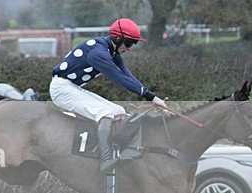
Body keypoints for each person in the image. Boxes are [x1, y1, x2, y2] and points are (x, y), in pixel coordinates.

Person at [49, 18, 168, 172]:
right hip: (62, 90)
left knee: (119, 111)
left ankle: (120, 150)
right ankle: (105, 159)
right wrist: (152, 97)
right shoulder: (98, 53)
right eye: (129, 43)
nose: (130, 48)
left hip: (71, 87)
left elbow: (128, 75)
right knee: (106, 113)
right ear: (118, 38)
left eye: (134, 43)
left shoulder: (110, 50)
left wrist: (152, 97)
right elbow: (120, 78)